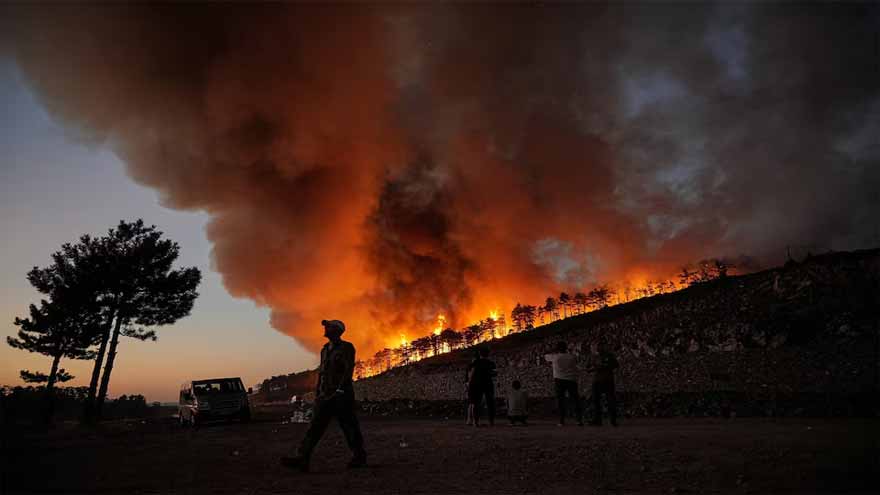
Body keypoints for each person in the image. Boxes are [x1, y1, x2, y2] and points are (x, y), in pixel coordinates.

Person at [281, 319, 367, 472]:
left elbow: (348, 371)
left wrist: (340, 390)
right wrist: (318, 392)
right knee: (314, 427)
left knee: (349, 427)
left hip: (341, 396)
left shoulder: (347, 347)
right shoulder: (325, 349)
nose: (325, 328)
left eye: (329, 326)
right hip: (325, 396)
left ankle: (359, 457)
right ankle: (302, 459)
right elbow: (322, 372)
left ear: (337, 330)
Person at [544, 341, 583, 426]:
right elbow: (577, 362)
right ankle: (579, 420)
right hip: (571, 380)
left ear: (557, 348)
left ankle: (561, 420)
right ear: (566, 348)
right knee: (575, 400)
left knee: (561, 400)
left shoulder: (554, 357)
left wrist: (552, 349)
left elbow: (545, 355)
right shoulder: (572, 357)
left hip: (559, 380)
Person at [589, 341, 619, 426]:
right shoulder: (594, 356)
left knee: (610, 400)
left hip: (606, 380)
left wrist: (604, 366)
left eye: (600, 346)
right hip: (598, 380)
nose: (599, 348)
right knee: (597, 401)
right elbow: (588, 368)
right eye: (597, 346)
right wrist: (594, 368)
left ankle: (612, 420)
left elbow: (616, 365)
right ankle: (599, 420)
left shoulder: (609, 355)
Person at [467, 347, 497, 426]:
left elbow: (471, 373)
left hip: (476, 384)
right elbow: (495, 373)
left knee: (475, 403)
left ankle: (475, 422)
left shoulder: (475, 362)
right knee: (490, 403)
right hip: (488, 384)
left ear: (480, 354)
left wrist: (470, 384)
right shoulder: (491, 363)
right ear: (488, 354)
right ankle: (491, 422)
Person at [464, 349, 480, 425]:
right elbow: (471, 375)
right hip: (474, 385)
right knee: (474, 403)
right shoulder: (476, 365)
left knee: (470, 403)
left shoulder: (469, 365)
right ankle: (474, 421)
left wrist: (467, 384)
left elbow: (466, 377)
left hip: (469, 385)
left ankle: (469, 420)